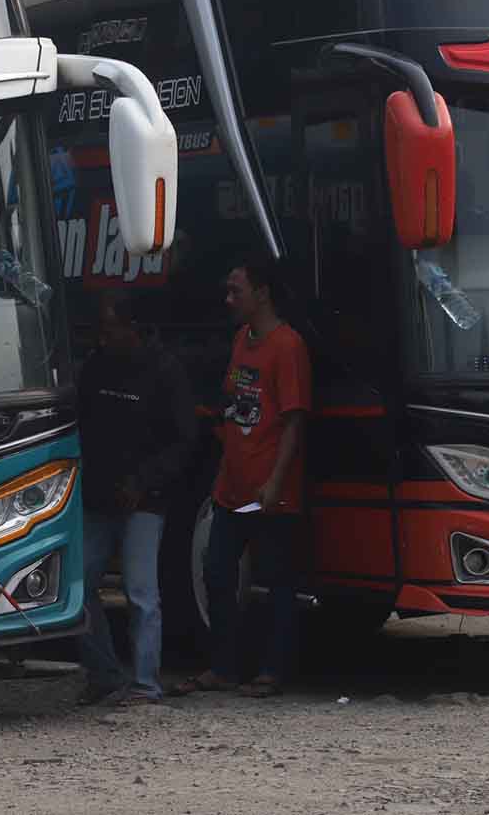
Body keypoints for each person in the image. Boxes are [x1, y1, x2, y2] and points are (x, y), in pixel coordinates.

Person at [172, 255, 311, 699]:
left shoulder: (287, 347)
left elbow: (294, 420)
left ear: (263, 292)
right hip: (232, 486)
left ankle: (272, 670)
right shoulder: (241, 340)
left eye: (237, 290)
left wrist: (275, 481)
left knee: (276, 581)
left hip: (270, 490)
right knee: (216, 573)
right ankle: (225, 666)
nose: (229, 299)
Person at [75, 290, 198, 706]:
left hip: (144, 500)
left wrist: (142, 482)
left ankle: (145, 682)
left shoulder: (165, 372)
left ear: (134, 329)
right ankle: (107, 674)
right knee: (79, 588)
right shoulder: (97, 367)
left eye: (111, 328)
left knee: (141, 592)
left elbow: (183, 441)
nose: (103, 337)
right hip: (100, 497)